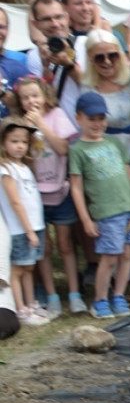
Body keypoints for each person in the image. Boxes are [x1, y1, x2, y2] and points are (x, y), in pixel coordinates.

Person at [68, 93, 130, 319]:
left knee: (126, 254)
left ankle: (119, 295)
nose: (98, 123)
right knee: (110, 256)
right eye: (92, 118)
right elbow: (76, 188)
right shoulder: (78, 150)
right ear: (79, 118)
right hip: (107, 212)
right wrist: (85, 219)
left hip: (129, 208)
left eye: (101, 118)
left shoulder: (113, 142)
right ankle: (100, 300)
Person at [13, 77, 85, 315]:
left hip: (61, 192)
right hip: (35, 197)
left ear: (44, 95)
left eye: (35, 95)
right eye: (25, 97)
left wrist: (41, 126)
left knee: (65, 244)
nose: (31, 101)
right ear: (20, 101)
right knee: (43, 248)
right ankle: (52, 295)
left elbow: (64, 148)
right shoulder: (19, 124)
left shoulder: (56, 116)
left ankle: (74, 294)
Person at [0, 117, 50, 326]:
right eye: (14, 141)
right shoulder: (6, 169)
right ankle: (20, 308)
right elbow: (15, 202)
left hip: (35, 226)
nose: (20, 146)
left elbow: (41, 146)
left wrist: (35, 129)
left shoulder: (24, 165)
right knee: (18, 270)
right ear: (2, 143)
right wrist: (28, 230)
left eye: (23, 141)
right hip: (21, 229)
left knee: (29, 268)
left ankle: (31, 303)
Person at [80, 30, 130, 166]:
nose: (107, 61)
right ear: (90, 58)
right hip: (110, 154)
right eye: (99, 58)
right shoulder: (87, 88)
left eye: (113, 55)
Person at [0, 8, 30, 119]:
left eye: (1, 27)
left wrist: (2, 91)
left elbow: (29, 108)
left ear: (8, 29)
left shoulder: (19, 65)